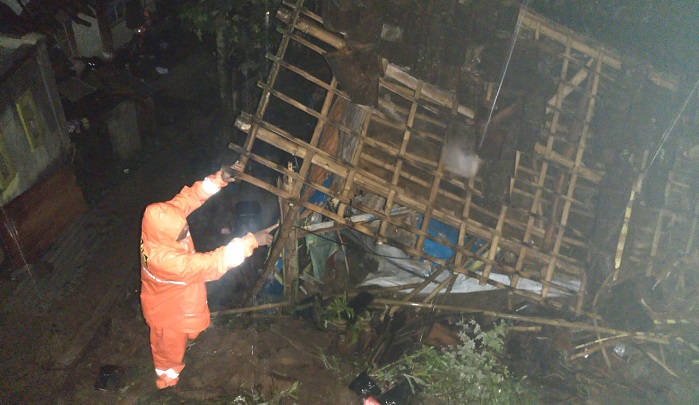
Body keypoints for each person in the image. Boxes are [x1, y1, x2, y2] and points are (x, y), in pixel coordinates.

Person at [139, 162, 277, 389]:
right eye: (181, 232)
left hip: (178, 297)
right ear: (167, 237)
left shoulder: (159, 221)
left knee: (187, 329)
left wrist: (220, 178)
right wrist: (253, 241)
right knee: (168, 349)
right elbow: (215, 263)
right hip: (166, 312)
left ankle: (185, 346)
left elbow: (191, 197)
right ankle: (166, 383)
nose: (186, 230)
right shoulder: (167, 262)